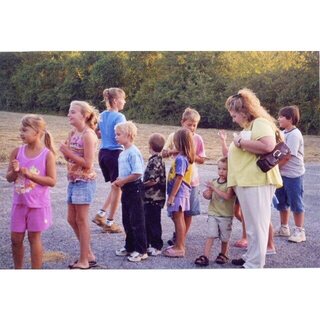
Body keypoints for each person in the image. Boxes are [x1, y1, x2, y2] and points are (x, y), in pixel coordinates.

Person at [225, 88, 282, 268]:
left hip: (257, 181)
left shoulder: (260, 123)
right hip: (248, 181)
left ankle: (255, 263)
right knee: (251, 223)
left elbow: (268, 145)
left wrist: (240, 142)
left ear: (243, 112)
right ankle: (251, 256)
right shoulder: (251, 126)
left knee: (257, 223)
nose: (233, 119)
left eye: (234, 115)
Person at [6, 114, 56, 269]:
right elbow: (9, 178)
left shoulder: (47, 154)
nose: (21, 133)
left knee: (34, 238)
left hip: (37, 204)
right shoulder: (16, 152)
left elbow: (52, 181)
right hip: (19, 203)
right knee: (15, 239)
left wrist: (30, 175)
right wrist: (15, 172)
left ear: (37, 132)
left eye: (25, 130)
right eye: (20, 129)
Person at [219, 129, 276, 255]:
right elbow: (227, 156)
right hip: (241, 181)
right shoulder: (242, 138)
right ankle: (253, 238)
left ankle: (268, 244)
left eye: (235, 115)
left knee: (260, 216)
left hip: (251, 182)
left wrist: (240, 142)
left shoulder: (253, 139)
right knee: (244, 213)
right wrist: (223, 141)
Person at [59, 100, 98, 269]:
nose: (69, 114)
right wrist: (65, 153)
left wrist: (68, 152)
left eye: (73, 112)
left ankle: (84, 260)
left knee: (81, 220)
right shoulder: (73, 133)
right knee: (71, 218)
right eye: (69, 111)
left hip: (85, 181)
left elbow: (88, 163)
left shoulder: (88, 135)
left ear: (85, 115)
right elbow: (70, 158)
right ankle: (88, 253)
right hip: (73, 180)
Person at [162, 107, 206, 245]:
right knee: (176, 211)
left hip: (191, 181)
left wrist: (189, 154)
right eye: (189, 124)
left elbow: (202, 159)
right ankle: (178, 235)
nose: (192, 128)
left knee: (189, 211)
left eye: (195, 125)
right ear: (182, 122)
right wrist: (171, 151)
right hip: (177, 178)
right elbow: (164, 152)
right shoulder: (174, 136)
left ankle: (182, 238)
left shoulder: (198, 139)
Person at [92, 87, 126, 233]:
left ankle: (101, 214)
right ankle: (110, 223)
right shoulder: (120, 117)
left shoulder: (102, 115)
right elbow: (123, 137)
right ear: (116, 101)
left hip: (103, 153)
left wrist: (105, 134)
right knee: (118, 188)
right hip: (115, 154)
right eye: (123, 99)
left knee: (114, 186)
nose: (124, 102)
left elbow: (97, 133)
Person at [113, 121, 148, 262]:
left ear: (128, 135)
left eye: (118, 134)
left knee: (137, 221)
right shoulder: (123, 152)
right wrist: (119, 179)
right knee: (127, 220)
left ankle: (141, 250)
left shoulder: (133, 152)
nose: (116, 137)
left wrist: (122, 181)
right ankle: (130, 246)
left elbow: (137, 173)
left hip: (135, 189)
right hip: (126, 189)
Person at [194, 157, 236, 266]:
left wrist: (214, 189)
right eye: (219, 169)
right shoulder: (214, 182)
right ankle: (205, 256)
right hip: (213, 213)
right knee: (210, 235)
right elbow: (208, 196)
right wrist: (206, 192)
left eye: (224, 169)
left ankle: (223, 254)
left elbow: (227, 196)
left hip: (226, 215)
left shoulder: (230, 184)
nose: (221, 171)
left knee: (225, 237)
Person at [274, 105, 306, 243]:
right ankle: (284, 228)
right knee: (282, 202)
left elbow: (287, 156)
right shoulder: (284, 133)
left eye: (281, 116)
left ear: (290, 119)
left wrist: (274, 168)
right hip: (282, 174)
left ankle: (300, 231)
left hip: (293, 175)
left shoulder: (294, 134)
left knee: (295, 203)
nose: (279, 119)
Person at [163, 128, 195, 258]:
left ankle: (180, 247)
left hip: (178, 194)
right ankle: (178, 244)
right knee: (177, 218)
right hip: (179, 193)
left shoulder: (181, 159)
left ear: (180, 142)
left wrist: (172, 196)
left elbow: (179, 177)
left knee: (178, 219)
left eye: (175, 141)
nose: (173, 143)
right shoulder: (182, 157)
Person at [143, 133, 166, 256]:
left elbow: (153, 180)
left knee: (153, 222)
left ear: (150, 146)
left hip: (153, 197)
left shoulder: (154, 161)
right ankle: (150, 243)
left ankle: (157, 245)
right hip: (155, 197)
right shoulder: (159, 159)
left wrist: (141, 186)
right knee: (150, 221)